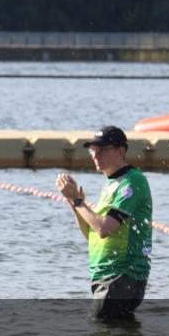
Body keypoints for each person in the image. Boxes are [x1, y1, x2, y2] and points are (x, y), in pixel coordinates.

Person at [55, 126, 152, 321]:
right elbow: (91, 234)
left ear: (121, 151)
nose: (95, 156)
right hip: (108, 277)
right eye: (93, 151)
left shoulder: (132, 181)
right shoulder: (111, 184)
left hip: (122, 277)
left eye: (102, 150)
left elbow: (104, 228)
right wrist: (73, 202)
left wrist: (78, 201)